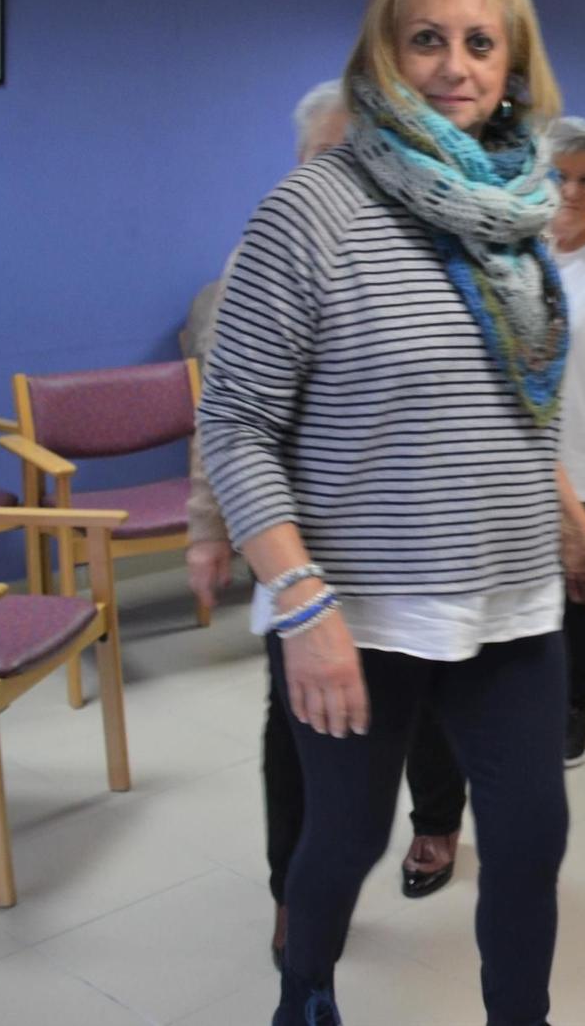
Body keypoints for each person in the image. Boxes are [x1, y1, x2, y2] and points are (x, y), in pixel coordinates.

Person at [199, 0, 585, 1026]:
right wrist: (302, 604)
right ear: (383, 51)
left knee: (532, 842)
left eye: (480, 42)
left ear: (512, 62)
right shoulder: (311, 211)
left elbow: (514, 408)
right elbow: (236, 426)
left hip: (513, 601)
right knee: (341, 839)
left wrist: (570, 520)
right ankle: (304, 993)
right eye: (425, 38)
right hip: (360, 607)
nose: (454, 65)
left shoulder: (517, 214)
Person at [397, 116, 585, 896]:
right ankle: (442, 811)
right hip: (497, 480)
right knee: (476, 635)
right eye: (560, 175)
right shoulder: (493, 251)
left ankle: (569, 711)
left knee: (571, 611)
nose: (573, 192)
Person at [183, 79, 347, 970]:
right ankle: (293, 893)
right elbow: (225, 414)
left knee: (429, 716)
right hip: (295, 537)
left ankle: (433, 828)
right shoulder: (263, 253)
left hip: (407, 546)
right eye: (322, 158)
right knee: (294, 728)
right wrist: (210, 528)